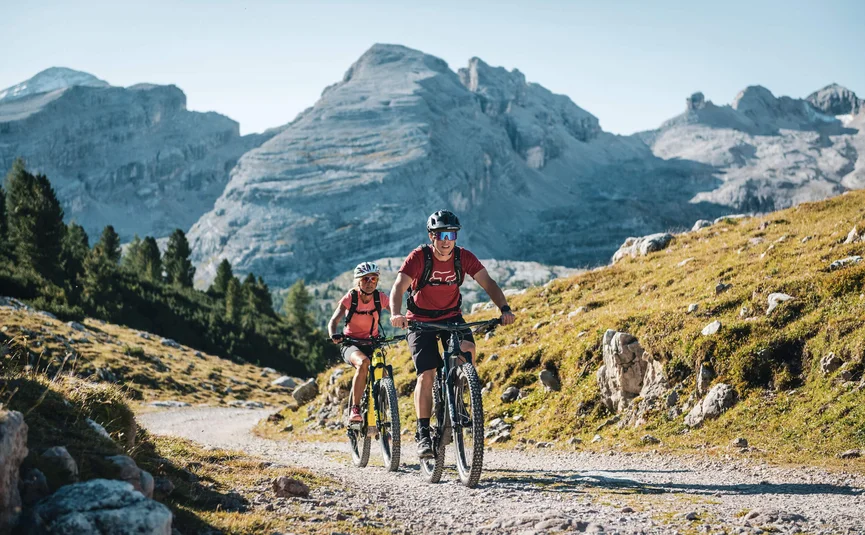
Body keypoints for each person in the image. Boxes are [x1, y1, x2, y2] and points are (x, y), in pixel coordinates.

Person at [389, 210, 515, 458]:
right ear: (431, 236)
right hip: (420, 321)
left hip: (451, 316)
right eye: (440, 235)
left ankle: (459, 395)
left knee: (467, 348)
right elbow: (398, 286)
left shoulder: (463, 257)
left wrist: (505, 309)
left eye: (451, 234)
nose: (446, 240)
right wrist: (395, 313)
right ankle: (423, 433)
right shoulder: (419, 257)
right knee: (426, 374)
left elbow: (488, 282)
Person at [327, 261, 390, 424]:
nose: (370, 283)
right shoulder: (351, 297)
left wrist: (404, 320)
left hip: (372, 343)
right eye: (365, 279)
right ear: (358, 281)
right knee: (363, 363)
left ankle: (384, 420)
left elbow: (395, 311)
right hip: (350, 344)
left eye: (374, 279)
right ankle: (355, 409)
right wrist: (334, 334)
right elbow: (333, 321)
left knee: (384, 373)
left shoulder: (380, 298)